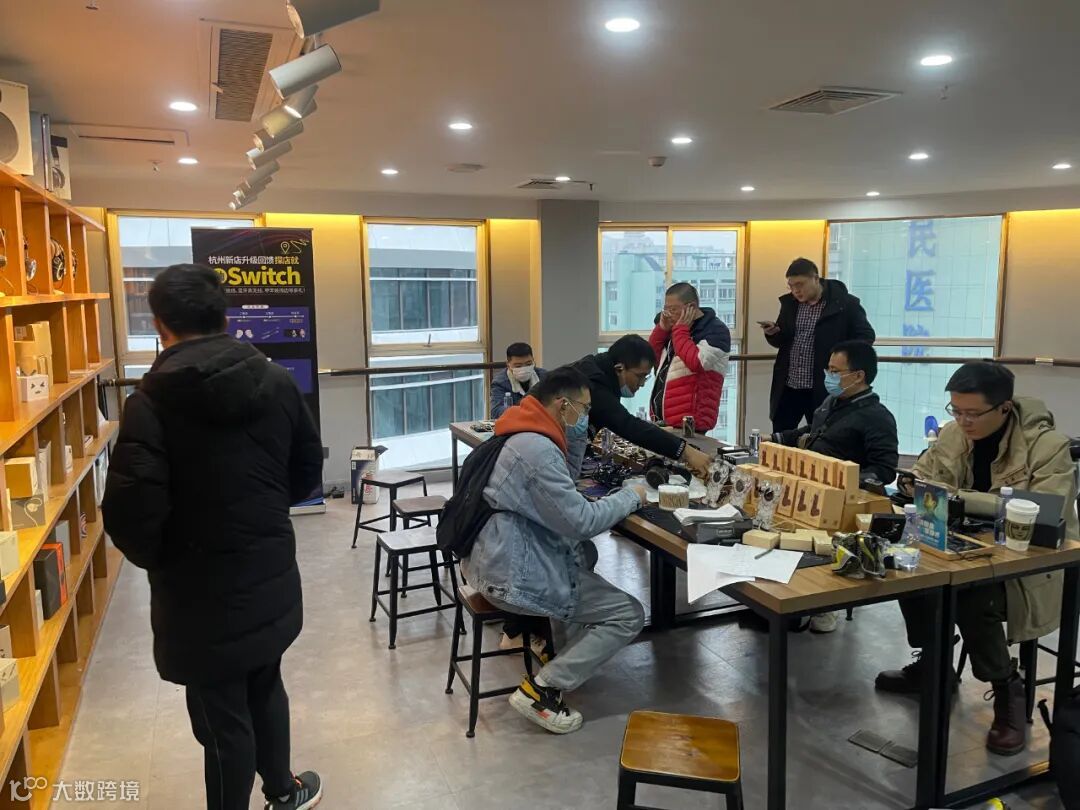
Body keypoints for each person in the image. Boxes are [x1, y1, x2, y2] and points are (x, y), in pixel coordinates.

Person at [102, 265, 325, 810]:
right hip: (267, 573)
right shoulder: (275, 381)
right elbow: (305, 472)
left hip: (197, 594)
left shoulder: (150, 402)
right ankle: (283, 791)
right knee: (266, 683)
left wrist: (169, 559)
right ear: (225, 317)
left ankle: (270, 793)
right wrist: (261, 516)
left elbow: (130, 513)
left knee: (222, 721)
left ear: (160, 325)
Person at [875, 363, 1078, 756]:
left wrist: (959, 498)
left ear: (1004, 408)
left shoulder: (1047, 447)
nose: (963, 421)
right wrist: (912, 482)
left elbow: (1045, 510)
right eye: (956, 411)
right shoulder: (954, 433)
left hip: (1031, 565)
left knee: (972, 596)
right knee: (904, 566)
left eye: (972, 413)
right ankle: (934, 663)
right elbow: (926, 474)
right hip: (965, 545)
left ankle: (1007, 690)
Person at [461, 366, 648, 734]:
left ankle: (564, 655)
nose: (587, 417)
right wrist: (632, 496)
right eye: (585, 409)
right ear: (564, 406)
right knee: (628, 613)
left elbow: (565, 481)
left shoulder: (520, 430)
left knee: (585, 555)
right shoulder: (537, 450)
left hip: (489, 559)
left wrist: (575, 440)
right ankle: (543, 690)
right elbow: (582, 521)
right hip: (510, 575)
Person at [772, 340, 898, 634]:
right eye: (828, 369)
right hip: (813, 489)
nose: (828, 376)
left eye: (834, 371)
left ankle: (822, 604)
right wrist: (778, 439)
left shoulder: (877, 417)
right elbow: (813, 433)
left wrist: (843, 481)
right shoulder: (832, 402)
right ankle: (791, 600)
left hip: (845, 504)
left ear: (859, 376)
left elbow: (885, 470)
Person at [570, 335, 713, 479]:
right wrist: (686, 451)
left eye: (646, 377)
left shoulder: (598, 370)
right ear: (619, 369)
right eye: (640, 376)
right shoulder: (594, 383)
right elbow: (627, 425)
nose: (642, 383)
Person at [760, 258, 875, 433]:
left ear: (815, 278)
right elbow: (784, 340)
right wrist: (774, 333)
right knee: (780, 436)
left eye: (800, 284)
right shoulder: (790, 304)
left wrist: (841, 357)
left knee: (821, 436)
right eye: (791, 286)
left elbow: (866, 336)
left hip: (821, 386)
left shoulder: (844, 304)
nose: (795, 291)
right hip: (789, 385)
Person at [648, 282, 731, 433]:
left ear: (691, 307)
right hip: (664, 419)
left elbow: (696, 362)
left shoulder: (716, 330)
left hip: (691, 422)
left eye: (673, 309)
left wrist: (680, 330)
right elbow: (651, 358)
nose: (668, 314)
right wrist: (662, 330)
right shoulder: (674, 328)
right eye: (666, 309)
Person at [490, 341, 547, 418]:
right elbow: (496, 411)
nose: (524, 369)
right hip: (515, 421)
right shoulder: (500, 382)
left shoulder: (544, 376)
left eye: (528, 364)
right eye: (518, 366)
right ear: (508, 365)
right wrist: (525, 410)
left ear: (533, 361)